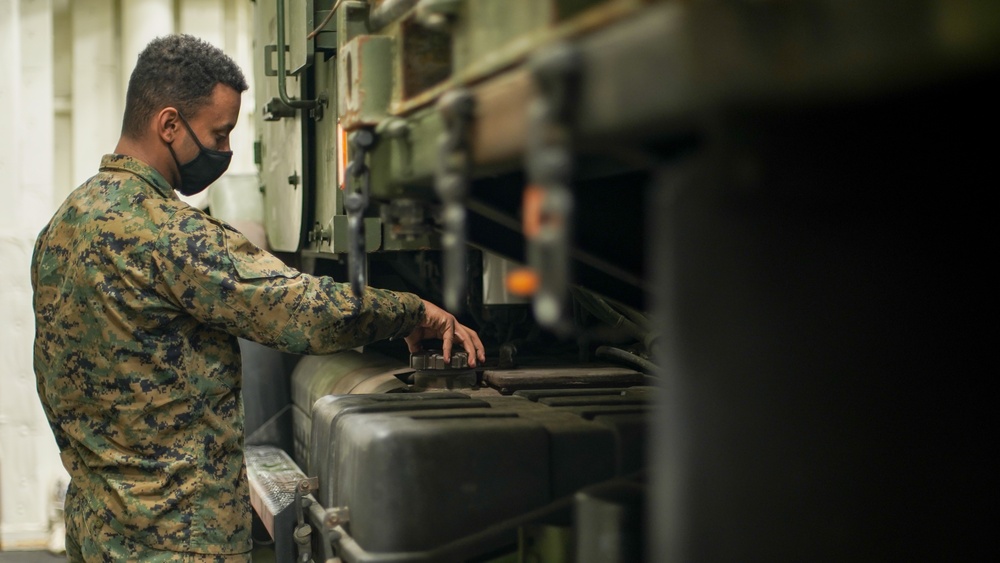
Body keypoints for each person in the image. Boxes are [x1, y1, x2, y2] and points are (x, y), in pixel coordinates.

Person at [31, 34, 485, 562]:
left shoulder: (63, 225)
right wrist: (412, 311)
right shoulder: (170, 235)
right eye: (218, 133)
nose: (225, 150)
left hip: (96, 532)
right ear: (169, 124)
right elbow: (305, 311)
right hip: (177, 541)